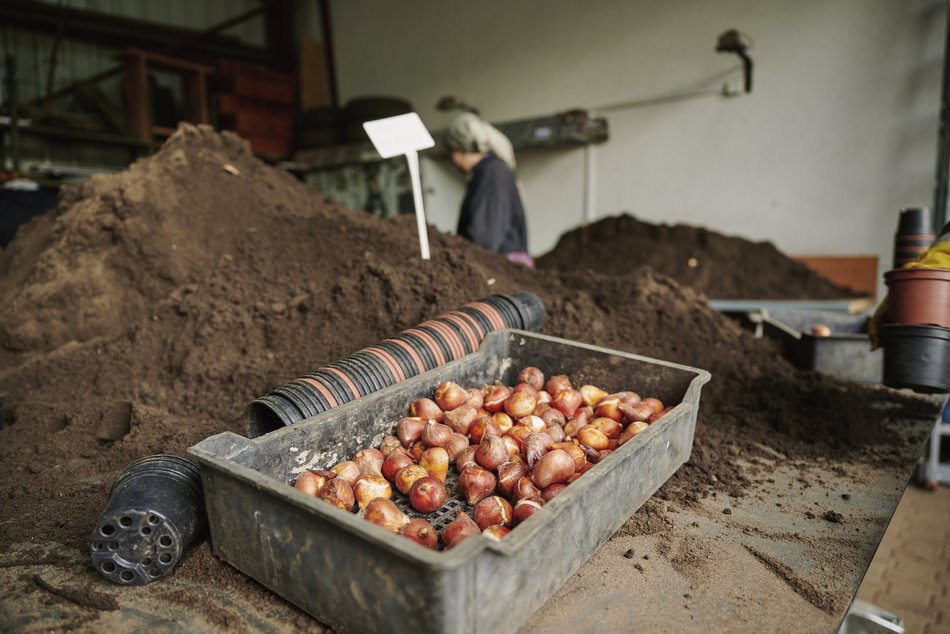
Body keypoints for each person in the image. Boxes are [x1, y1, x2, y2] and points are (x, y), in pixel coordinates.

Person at [443, 113, 533, 267]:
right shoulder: (489, 171)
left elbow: (485, 236)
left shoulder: (492, 173)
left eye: (450, 151)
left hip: (504, 266)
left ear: (459, 150)